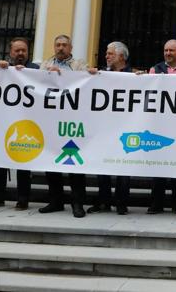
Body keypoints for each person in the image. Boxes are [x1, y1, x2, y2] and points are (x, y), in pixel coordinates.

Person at [0, 37, 39, 211]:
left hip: (26, 124)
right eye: (17, 51)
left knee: (23, 163)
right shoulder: (1, 68)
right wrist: (0, 68)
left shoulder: (35, 69)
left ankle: (23, 198)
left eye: (24, 51)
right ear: (10, 52)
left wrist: (27, 73)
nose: (21, 54)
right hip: (3, 122)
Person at [39, 34, 89, 218]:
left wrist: (65, 75)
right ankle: (55, 201)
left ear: (70, 48)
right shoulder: (44, 65)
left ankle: (77, 203)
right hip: (51, 121)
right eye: (57, 45)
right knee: (51, 163)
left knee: (74, 165)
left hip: (72, 121)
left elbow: (84, 81)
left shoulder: (79, 64)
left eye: (64, 45)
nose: (60, 48)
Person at [146, 39, 176, 214]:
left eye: (171, 51)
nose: (167, 54)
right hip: (159, 124)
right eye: (166, 50)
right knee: (158, 165)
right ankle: (156, 203)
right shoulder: (155, 69)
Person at [87, 41, 132, 215]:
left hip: (125, 126)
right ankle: (104, 200)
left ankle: (121, 202)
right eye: (106, 53)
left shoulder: (133, 75)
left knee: (123, 165)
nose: (106, 56)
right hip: (104, 127)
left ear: (121, 56)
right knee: (102, 164)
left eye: (110, 54)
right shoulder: (100, 74)